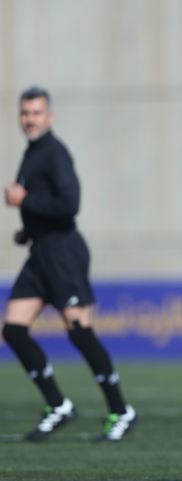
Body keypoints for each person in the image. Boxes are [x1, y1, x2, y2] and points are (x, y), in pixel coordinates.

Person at [2, 86, 137, 441]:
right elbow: (44, 204)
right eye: (25, 113)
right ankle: (58, 404)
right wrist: (28, 230)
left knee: (79, 331)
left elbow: (69, 204)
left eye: (36, 113)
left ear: (50, 116)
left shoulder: (55, 153)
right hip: (40, 253)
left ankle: (121, 410)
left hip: (63, 253)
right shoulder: (32, 153)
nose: (30, 119)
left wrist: (24, 200)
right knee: (13, 330)